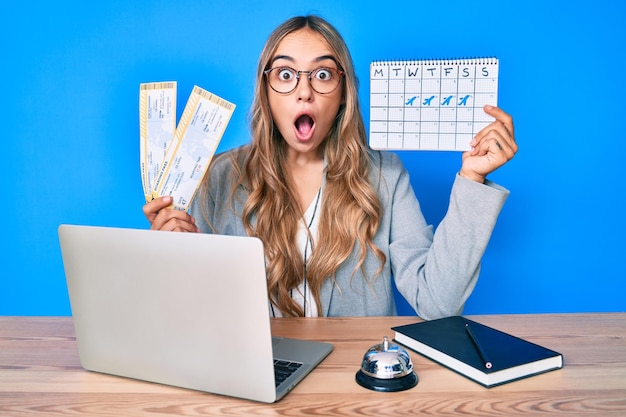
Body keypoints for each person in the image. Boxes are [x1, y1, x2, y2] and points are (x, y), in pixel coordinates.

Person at [143, 15, 517, 319]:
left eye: (322, 75)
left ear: (342, 95)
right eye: (286, 75)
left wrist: (472, 178)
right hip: (255, 384)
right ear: (267, 92)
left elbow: (437, 304)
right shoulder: (219, 178)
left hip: (355, 384)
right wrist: (174, 259)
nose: (304, 91)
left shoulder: (385, 175)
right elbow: (197, 315)